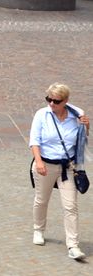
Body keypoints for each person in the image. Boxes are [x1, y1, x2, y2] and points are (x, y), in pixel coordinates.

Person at [30, 82, 90, 260]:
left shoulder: (77, 114)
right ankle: (38, 230)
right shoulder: (42, 114)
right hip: (45, 165)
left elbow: (81, 139)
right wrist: (39, 162)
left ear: (66, 100)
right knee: (41, 200)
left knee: (70, 206)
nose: (51, 104)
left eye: (56, 101)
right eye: (49, 99)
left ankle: (73, 245)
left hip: (67, 167)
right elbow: (34, 140)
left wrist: (86, 126)